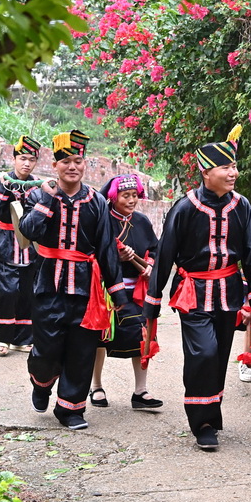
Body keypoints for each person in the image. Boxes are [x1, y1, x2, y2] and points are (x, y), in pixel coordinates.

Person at [144, 125, 251, 450]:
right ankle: (201, 423)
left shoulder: (242, 206)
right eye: (226, 167)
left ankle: (212, 414)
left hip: (228, 292)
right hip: (192, 293)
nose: (233, 173)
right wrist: (152, 301)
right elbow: (164, 254)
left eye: (235, 166)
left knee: (220, 354)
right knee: (204, 353)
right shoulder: (185, 208)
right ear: (205, 171)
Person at [18, 131, 130, 430]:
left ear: (85, 164)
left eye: (78, 161)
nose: (73, 167)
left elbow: (106, 248)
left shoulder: (96, 202)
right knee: (46, 351)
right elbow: (28, 231)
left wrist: (119, 297)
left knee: (81, 352)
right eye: (66, 161)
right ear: (54, 166)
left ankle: (70, 410)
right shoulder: (38, 195)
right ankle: (41, 384)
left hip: (86, 289)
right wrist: (47, 198)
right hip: (47, 286)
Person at [91, 173, 163, 411]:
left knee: (144, 336)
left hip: (138, 290)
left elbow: (154, 248)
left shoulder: (141, 221)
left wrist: (150, 264)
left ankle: (140, 391)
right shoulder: (102, 220)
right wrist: (115, 256)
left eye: (134, 195)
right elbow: (94, 251)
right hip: (108, 289)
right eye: (126, 196)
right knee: (101, 339)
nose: (132, 200)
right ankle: (96, 387)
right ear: (113, 197)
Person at [0, 135, 41, 356]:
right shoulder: (1, 181)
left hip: (30, 247)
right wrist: (5, 190)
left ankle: (23, 338)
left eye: (31, 160)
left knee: (28, 292)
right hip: (5, 244)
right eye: (23, 158)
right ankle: (3, 338)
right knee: (8, 292)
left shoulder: (37, 186)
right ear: (14, 158)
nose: (26, 163)